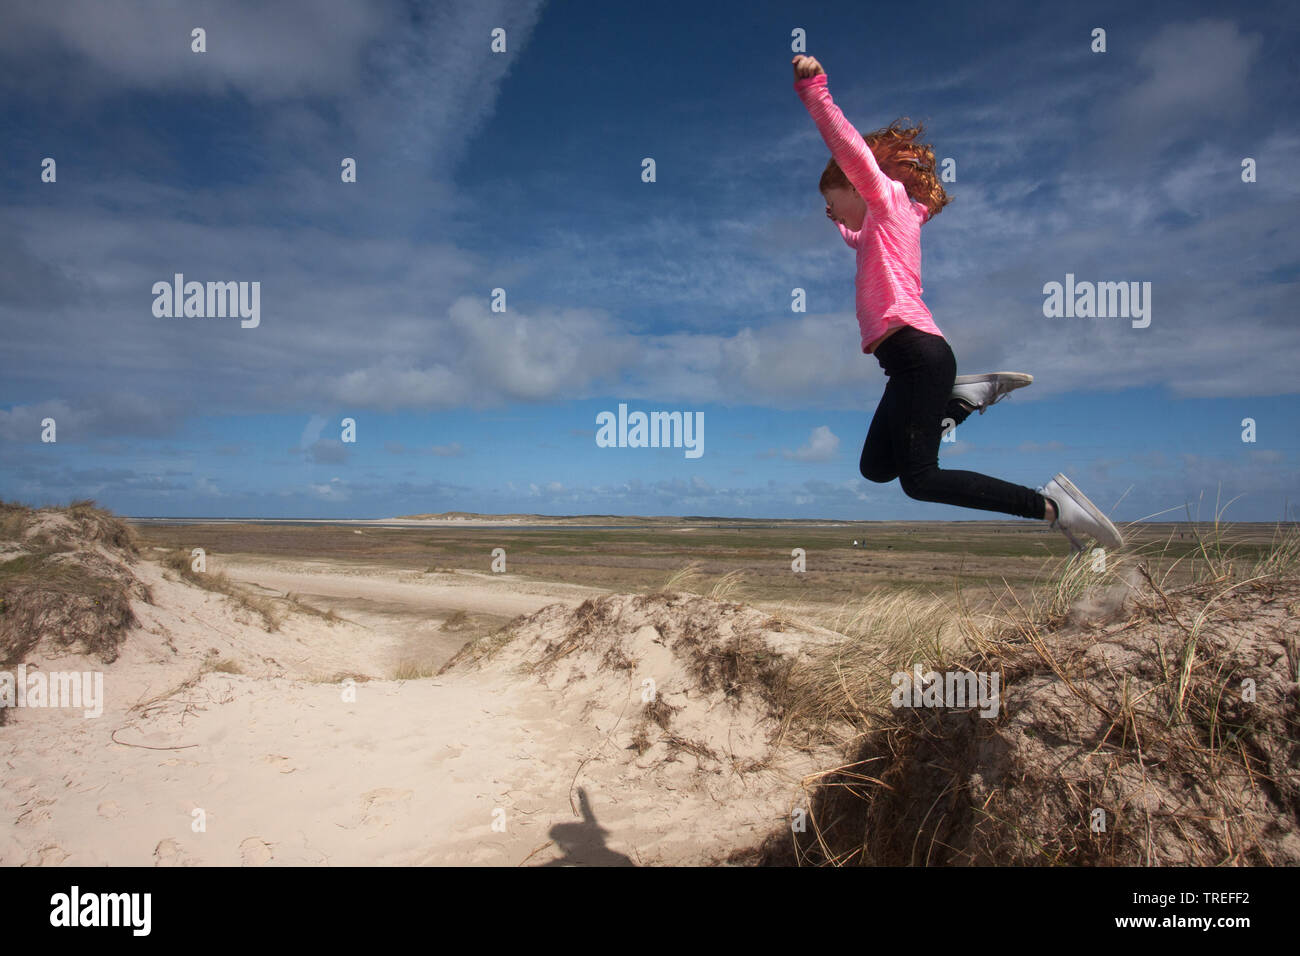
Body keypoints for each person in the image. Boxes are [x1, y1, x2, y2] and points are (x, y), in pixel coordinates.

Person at [792, 54, 1122, 552]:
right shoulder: (877, 230)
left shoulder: (884, 201)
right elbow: (852, 236)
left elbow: (847, 144)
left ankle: (1054, 508)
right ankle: (959, 401)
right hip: (904, 362)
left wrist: (814, 90)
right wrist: (840, 223)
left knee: (920, 480)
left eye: (831, 198)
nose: (829, 208)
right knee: (876, 467)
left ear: (856, 184)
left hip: (919, 354)